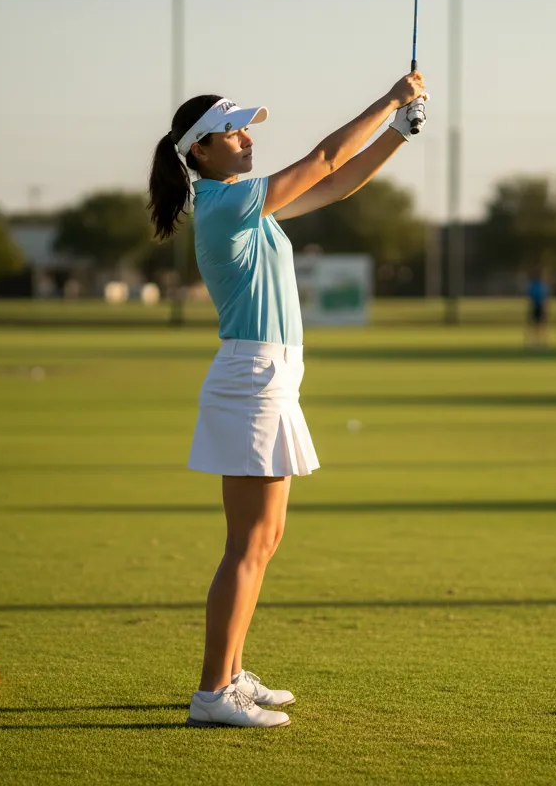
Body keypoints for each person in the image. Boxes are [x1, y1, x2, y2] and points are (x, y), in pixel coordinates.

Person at [148, 74, 428, 728]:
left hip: (270, 380)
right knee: (247, 543)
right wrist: (389, 100)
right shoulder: (226, 205)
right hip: (252, 379)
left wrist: (395, 135)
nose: (247, 139)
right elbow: (324, 160)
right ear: (201, 152)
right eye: (233, 132)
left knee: (266, 537)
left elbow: (335, 184)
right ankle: (213, 693)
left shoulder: (250, 206)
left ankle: (232, 675)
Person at [525, 269, 549, 348]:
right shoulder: (539, 285)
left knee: (538, 324)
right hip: (537, 306)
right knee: (538, 324)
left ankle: (539, 341)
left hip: (537, 306)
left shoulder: (536, 285)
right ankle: (536, 341)